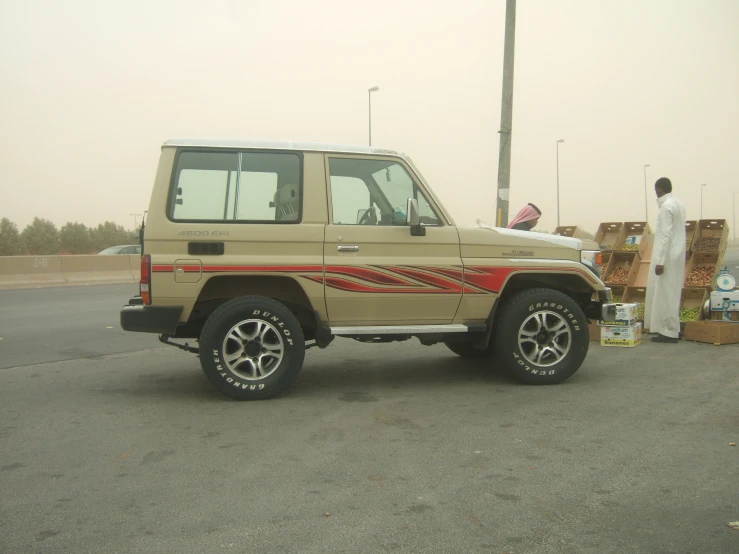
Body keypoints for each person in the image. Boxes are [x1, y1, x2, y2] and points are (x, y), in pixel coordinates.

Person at [644, 177, 686, 343]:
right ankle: (674, 328)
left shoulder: (666, 207)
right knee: (673, 292)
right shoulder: (679, 204)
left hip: (667, 255)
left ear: (659, 190)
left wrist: (661, 260)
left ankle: (668, 331)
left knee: (666, 293)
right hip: (677, 254)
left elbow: (666, 235)